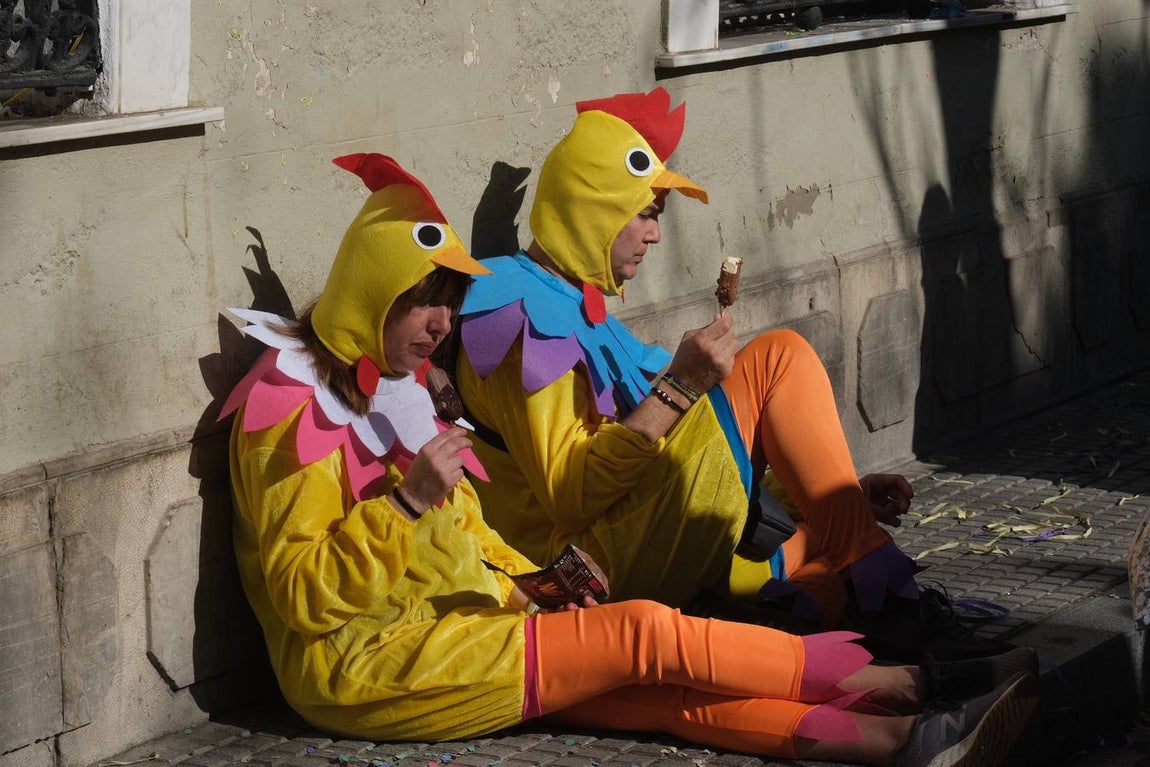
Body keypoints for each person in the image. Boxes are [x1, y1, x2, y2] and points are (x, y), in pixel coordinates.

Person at [222, 153, 1038, 765]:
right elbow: (303, 602)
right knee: (647, 635)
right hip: (369, 664)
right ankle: (912, 680)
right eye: (421, 300)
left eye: (447, 300)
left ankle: (901, 739)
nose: (440, 322)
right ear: (370, 292)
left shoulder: (403, 384)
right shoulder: (283, 408)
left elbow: (464, 539)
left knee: (660, 699)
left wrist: (532, 586)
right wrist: (404, 505)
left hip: (472, 614)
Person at [453, 88, 1000, 660]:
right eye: (643, 213)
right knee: (777, 359)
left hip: (640, 528)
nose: (656, 234)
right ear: (593, 206)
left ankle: (808, 597)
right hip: (587, 570)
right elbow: (572, 495)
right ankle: (887, 600)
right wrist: (679, 387)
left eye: (657, 217)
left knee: (832, 529)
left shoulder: (574, 304)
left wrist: (838, 494)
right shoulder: (520, 315)